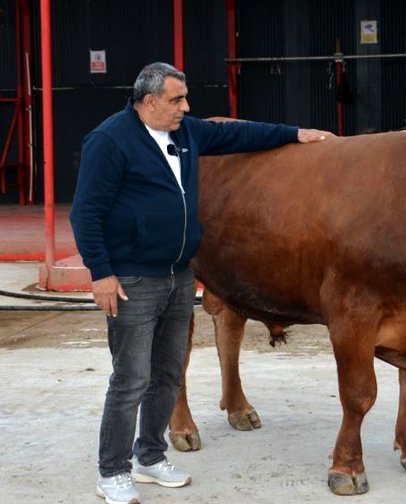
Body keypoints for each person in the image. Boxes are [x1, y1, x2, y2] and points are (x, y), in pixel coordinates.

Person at [70, 62, 332, 504]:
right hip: (132, 277)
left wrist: (295, 133)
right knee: (131, 378)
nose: (186, 108)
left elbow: (240, 135)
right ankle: (112, 471)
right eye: (177, 100)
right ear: (149, 101)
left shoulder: (185, 133)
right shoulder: (110, 140)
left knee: (168, 375)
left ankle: (150, 457)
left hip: (178, 274)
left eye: (186, 98)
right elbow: (86, 212)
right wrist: (101, 274)